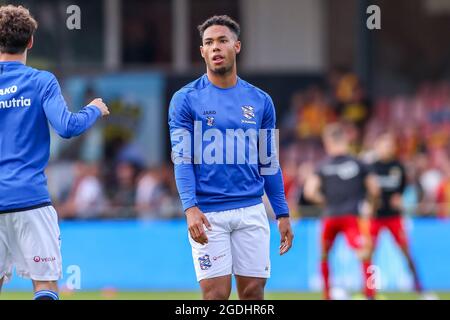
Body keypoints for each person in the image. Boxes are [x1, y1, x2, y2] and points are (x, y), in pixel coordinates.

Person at [168, 15, 294, 300]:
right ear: (202, 51)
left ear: (237, 46)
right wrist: (190, 208)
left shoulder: (261, 101)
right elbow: (182, 158)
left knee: (253, 294)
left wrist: (282, 212)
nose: (215, 47)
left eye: (222, 41)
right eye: (209, 42)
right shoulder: (185, 99)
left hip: (251, 209)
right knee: (215, 296)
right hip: (208, 213)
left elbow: (269, 161)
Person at [0, 5, 109, 300]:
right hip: (30, 199)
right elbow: (67, 127)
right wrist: (94, 109)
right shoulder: (41, 81)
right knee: (45, 287)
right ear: (31, 41)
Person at [304, 123, 380, 300]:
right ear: (345, 140)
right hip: (352, 218)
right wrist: (371, 206)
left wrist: (325, 201)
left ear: (327, 142)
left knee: (323, 255)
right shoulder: (359, 163)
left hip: (330, 217)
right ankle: (370, 294)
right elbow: (375, 189)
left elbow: (309, 191)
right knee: (364, 253)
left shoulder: (323, 166)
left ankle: (327, 295)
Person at [368, 133, 423, 296]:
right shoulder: (371, 167)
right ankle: (370, 292)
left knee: (406, 252)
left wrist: (400, 197)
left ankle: (419, 287)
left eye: (390, 145)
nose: (388, 148)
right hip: (375, 217)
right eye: (385, 145)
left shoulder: (398, 167)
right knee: (369, 254)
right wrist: (369, 203)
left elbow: (403, 186)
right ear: (378, 146)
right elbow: (366, 189)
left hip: (394, 217)